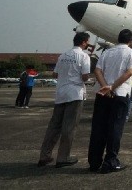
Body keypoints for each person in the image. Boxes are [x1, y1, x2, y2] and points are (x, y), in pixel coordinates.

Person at [38, 32, 91, 168]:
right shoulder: (84, 56)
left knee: (54, 126)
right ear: (84, 42)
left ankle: (45, 155)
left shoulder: (63, 56)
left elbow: (55, 74)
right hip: (75, 94)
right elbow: (85, 77)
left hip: (61, 94)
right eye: (87, 42)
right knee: (69, 127)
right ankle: (63, 157)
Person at [88, 29, 132, 173]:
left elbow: (97, 71)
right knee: (115, 128)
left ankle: (94, 162)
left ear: (117, 39)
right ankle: (110, 162)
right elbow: (129, 72)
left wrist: (105, 87)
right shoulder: (131, 53)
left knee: (98, 128)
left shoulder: (107, 52)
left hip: (102, 95)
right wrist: (112, 87)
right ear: (130, 41)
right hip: (120, 94)